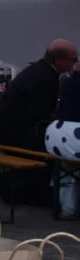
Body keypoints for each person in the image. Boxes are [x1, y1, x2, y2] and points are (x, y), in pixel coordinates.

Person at [0, 40, 77, 207]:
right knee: (52, 149)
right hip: (3, 130)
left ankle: (23, 186)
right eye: (73, 59)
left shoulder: (38, 69)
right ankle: (31, 191)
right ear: (59, 61)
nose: (75, 63)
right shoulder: (47, 78)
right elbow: (40, 117)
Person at [44, 67, 80, 218]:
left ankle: (68, 207)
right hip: (75, 135)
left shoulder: (69, 81)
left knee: (69, 167)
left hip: (56, 136)